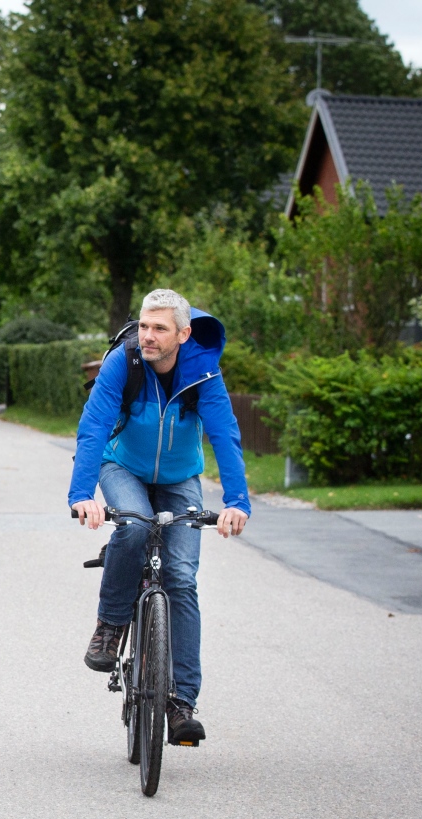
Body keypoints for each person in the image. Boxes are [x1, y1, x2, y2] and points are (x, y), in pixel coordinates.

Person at [69, 289, 250, 745]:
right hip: (122, 467)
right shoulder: (123, 362)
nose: (147, 336)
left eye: (159, 329)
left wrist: (237, 501)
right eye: (144, 326)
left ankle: (180, 702)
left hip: (179, 478)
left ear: (183, 334)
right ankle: (110, 627)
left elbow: (225, 434)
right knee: (133, 526)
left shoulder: (203, 371)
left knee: (182, 578)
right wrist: (81, 494)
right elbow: (93, 426)